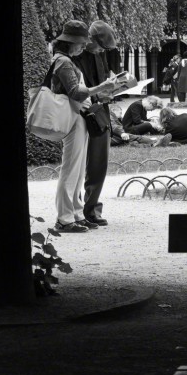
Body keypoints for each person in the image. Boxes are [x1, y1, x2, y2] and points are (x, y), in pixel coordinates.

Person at [48, 21, 117, 233]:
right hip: (73, 116)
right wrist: (102, 87)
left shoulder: (67, 61)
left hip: (79, 116)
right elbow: (76, 92)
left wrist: (100, 92)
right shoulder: (63, 62)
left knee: (77, 170)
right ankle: (64, 218)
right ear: (70, 43)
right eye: (80, 43)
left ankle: (76, 213)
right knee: (70, 169)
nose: (82, 47)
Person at [73, 20, 121, 226]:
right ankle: (75, 211)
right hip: (80, 111)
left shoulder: (99, 55)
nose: (102, 51)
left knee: (99, 162)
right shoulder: (76, 55)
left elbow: (102, 83)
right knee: (75, 165)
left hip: (100, 111)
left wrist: (113, 90)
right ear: (90, 39)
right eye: (101, 46)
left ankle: (91, 207)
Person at [108, 106, 172, 147]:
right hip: (112, 138)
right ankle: (155, 143)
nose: (121, 115)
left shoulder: (112, 117)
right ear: (113, 110)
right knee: (137, 138)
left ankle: (154, 144)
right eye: (120, 113)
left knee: (133, 143)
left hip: (111, 138)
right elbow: (114, 126)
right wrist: (122, 133)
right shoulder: (110, 116)